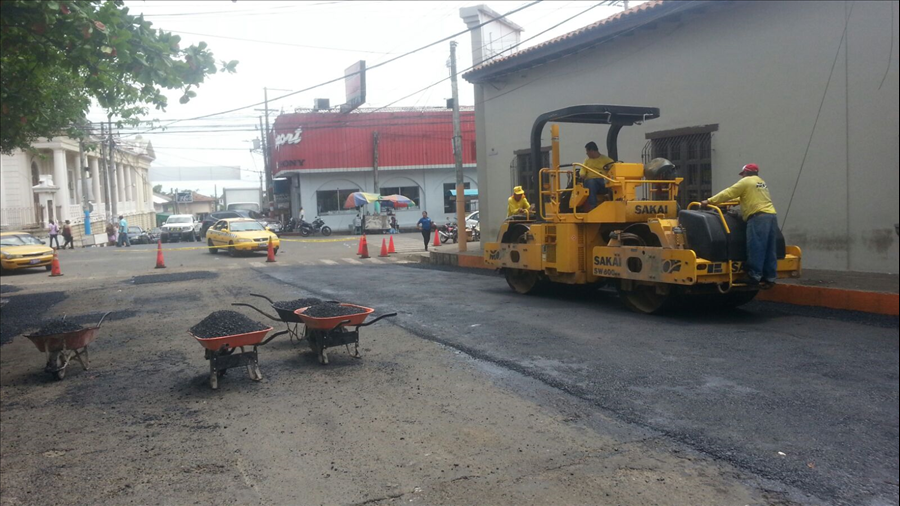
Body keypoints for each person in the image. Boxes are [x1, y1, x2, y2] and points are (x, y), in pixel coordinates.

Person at [702, 163, 778, 288]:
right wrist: (734, 202)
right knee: (769, 248)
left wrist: (709, 201)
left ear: (745, 173)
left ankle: (754, 276)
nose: (742, 176)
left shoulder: (746, 182)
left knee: (756, 246)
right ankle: (770, 277)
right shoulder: (761, 182)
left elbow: (729, 192)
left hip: (757, 217)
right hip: (771, 216)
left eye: (742, 174)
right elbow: (745, 196)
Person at [579, 141, 615, 210]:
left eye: (587, 152)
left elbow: (614, 167)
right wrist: (582, 175)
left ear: (592, 151)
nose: (586, 154)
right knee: (591, 182)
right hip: (591, 182)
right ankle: (593, 207)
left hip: (603, 181)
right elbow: (582, 172)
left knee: (613, 183)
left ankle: (617, 201)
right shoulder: (587, 161)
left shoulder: (606, 160)